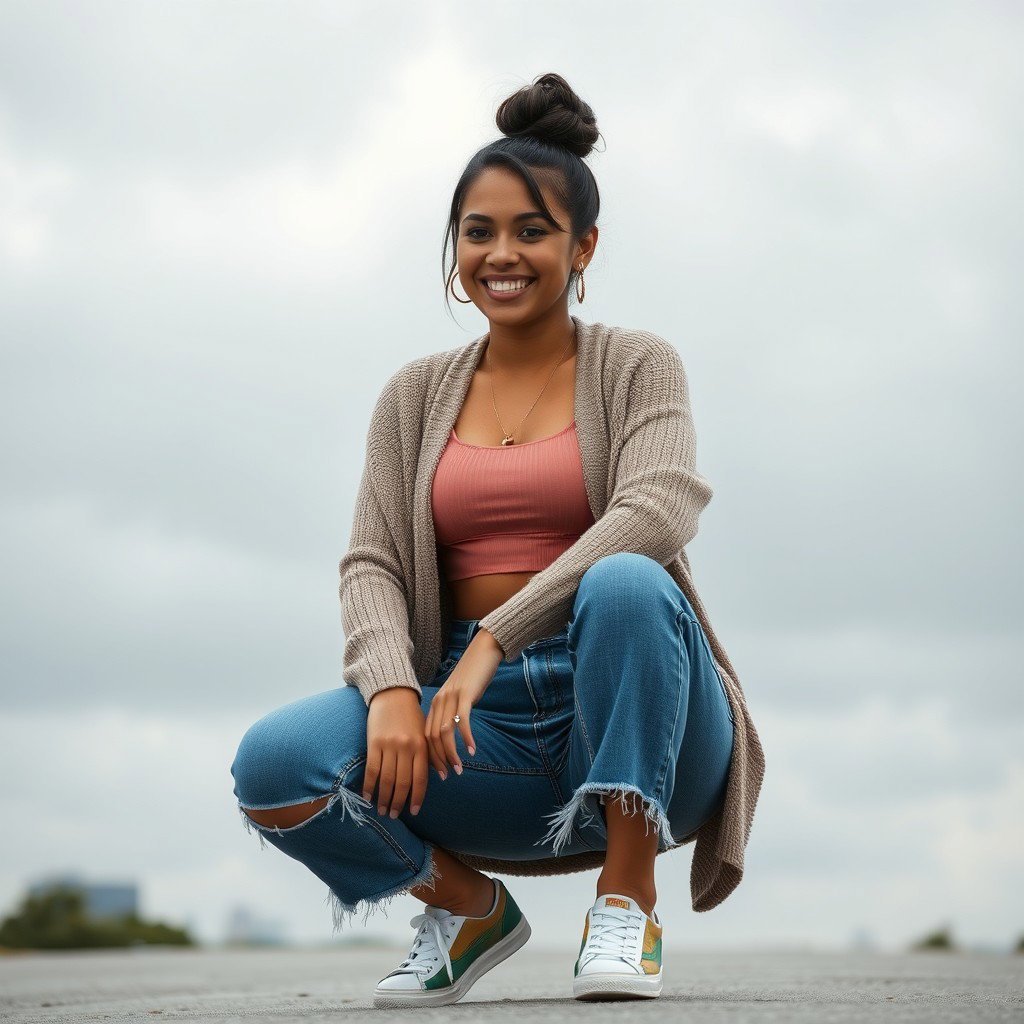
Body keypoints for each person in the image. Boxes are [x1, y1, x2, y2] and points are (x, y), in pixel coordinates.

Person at [230, 71, 765, 1006]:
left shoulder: (639, 364)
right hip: (474, 730)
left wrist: (494, 637)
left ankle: (626, 900)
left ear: (583, 245)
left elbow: (658, 509)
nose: (501, 253)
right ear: (455, 247)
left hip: (647, 715)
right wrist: (394, 683)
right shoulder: (412, 394)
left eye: (532, 230)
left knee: (632, 581)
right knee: (274, 766)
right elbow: (373, 563)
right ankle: (469, 909)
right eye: (479, 231)